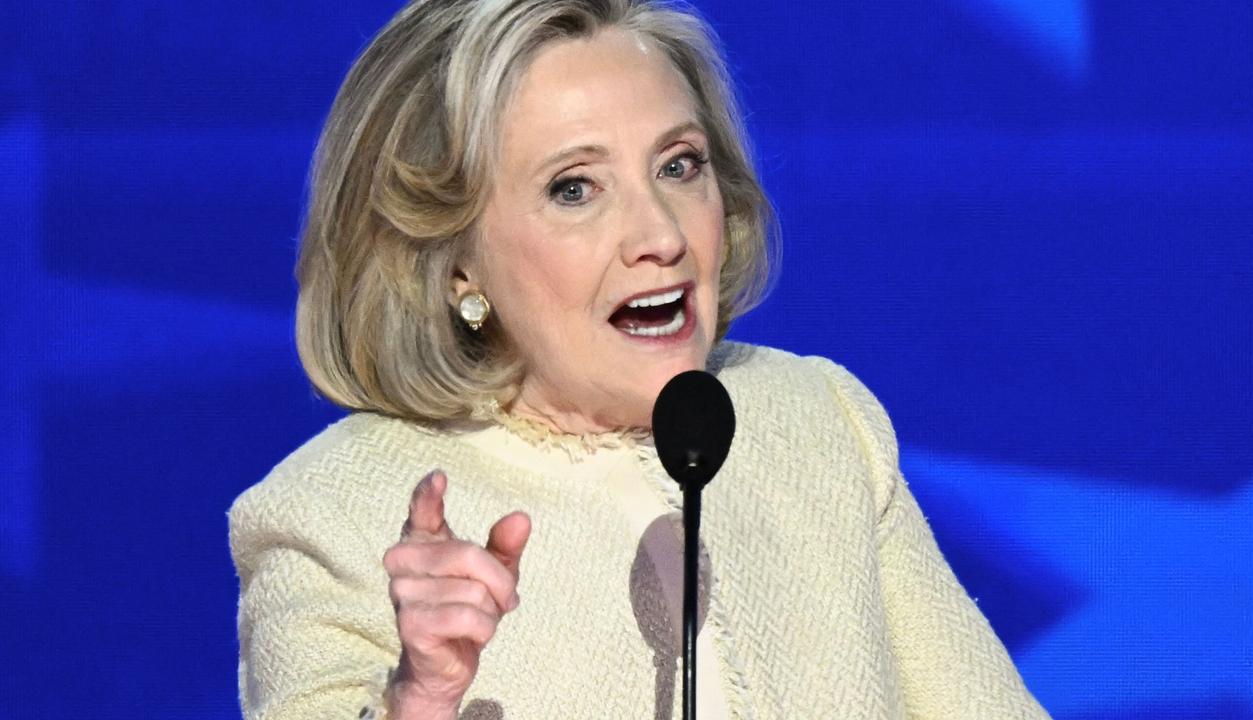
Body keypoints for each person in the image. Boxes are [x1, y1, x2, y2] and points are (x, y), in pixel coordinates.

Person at [228, 0, 1052, 718]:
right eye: (574, 188)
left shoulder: (814, 420)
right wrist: (421, 704)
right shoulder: (326, 517)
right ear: (453, 262)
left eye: (678, 166)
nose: (660, 235)